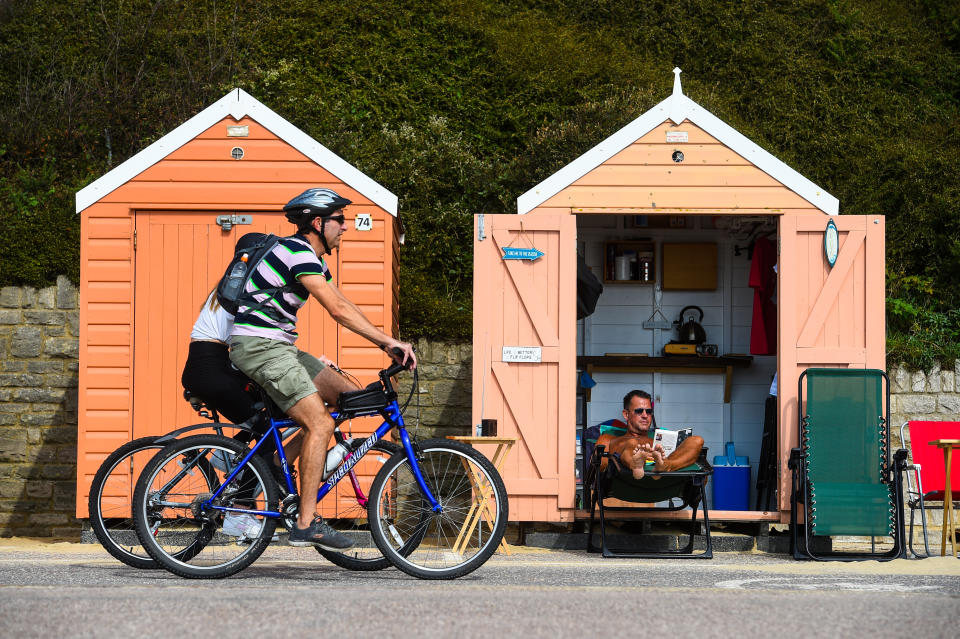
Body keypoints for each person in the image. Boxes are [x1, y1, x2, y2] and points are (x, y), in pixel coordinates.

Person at [228, 187, 417, 550]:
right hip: (260, 347)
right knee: (321, 423)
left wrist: (386, 338)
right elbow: (337, 311)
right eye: (340, 220)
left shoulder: (313, 259)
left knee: (349, 397)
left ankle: (284, 465)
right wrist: (386, 344)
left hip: (279, 346)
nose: (345, 227)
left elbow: (344, 302)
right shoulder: (296, 251)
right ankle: (305, 522)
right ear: (318, 222)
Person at [596, 390, 704, 480]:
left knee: (697, 440)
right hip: (629, 478)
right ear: (626, 414)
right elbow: (597, 468)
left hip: (663, 475)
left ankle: (666, 466)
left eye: (649, 411)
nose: (645, 415)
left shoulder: (656, 440)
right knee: (632, 442)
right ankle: (636, 464)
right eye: (639, 411)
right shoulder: (609, 438)